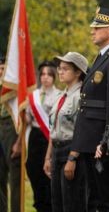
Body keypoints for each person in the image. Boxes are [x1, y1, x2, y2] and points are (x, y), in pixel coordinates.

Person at [70, 7, 109, 212]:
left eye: (98, 26)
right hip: (89, 137)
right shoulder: (102, 56)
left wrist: (105, 140)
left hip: (98, 139)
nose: (92, 30)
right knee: (93, 197)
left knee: (105, 198)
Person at [43, 52, 88, 212]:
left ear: (77, 72)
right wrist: (48, 156)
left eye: (65, 69)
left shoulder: (80, 96)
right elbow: (53, 128)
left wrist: (72, 158)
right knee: (57, 202)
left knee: (72, 202)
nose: (60, 72)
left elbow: (81, 130)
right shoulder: (62, 96)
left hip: (71, 150)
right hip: (56, 150)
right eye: (59, 68)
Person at [26, 61, 60, 212]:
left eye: (49, 74)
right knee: (34, 172)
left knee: (49, 177)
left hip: (50, 138)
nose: (45, 77)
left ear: (54, 76)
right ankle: (38, 206)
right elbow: (28, 119)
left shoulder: (59, 95)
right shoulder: (33, 96)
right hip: (35, 137)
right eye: (43, 74)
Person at [0, 54, 21, 212]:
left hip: (11, 129)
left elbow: (23, 115)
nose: (1, 72)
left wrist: (19, 142)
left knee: (15, 179)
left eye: (3, 69)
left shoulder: (16, 87)